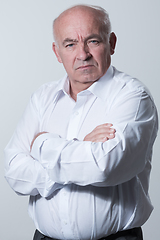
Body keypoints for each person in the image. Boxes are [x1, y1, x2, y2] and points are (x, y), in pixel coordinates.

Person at [4, 4, 158, 240]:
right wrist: (82, 146)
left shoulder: (133, 96)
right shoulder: (42, 98)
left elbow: (104, 167)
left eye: (93, 41)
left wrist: (41, 145)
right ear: (57, 52)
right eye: (70, 44)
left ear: (112, 43)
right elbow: (14, 172)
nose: (82, 54)